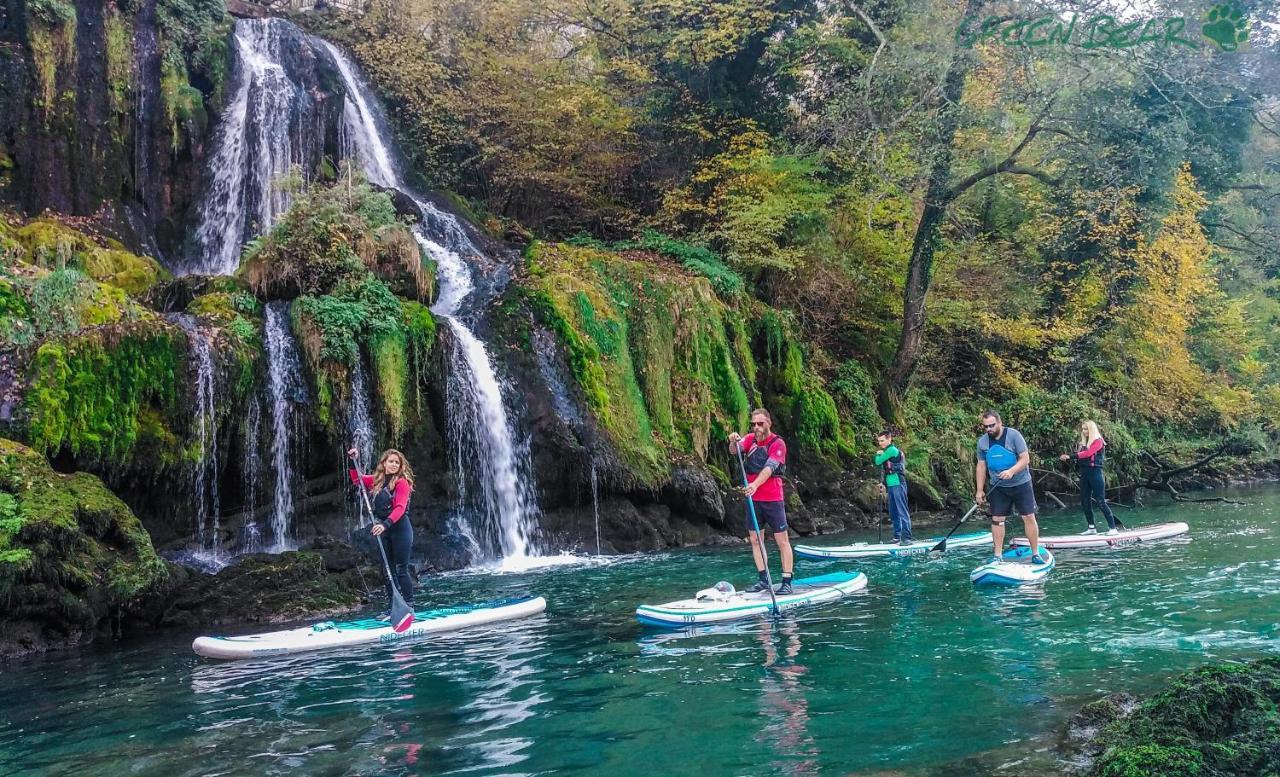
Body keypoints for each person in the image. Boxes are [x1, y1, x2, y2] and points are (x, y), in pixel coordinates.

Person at [728, 408, 795, 595]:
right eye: (754, 424)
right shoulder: (749, 439)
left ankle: (787, 581)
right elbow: (734, 451)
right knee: (755, 540)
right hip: (753, 499)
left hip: (773, 499)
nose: (756, 427)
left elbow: (769, 468)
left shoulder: (777, 443)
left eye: (760, 424)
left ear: (768, 423)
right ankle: (764, 579)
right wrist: (732, 440)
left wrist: (755, 484)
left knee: (782, 541)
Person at [348, 446, 416, 613]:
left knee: (401, 569)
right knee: (387, 571)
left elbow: (400, 508)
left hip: (400, 529)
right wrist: (352, 461)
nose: (393, 465)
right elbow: (358, 480)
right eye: (390, 461)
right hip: (384, 531)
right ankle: (393, 607)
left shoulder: (402, 483)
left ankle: (409, 606)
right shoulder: (377, 480)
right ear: (384, 463)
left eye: (396, 463)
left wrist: (385, 524)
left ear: (400, 467)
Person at [975, 410, 1044, 564]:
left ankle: (1035, 553)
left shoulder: (1014, 436)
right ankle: (997, 556)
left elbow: (1025, 459)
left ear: (1000, 423)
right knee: (997, 519)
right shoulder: (982, 442)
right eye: (985, 426)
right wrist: (979, 490)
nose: (989, 429)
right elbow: (981, 466)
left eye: (992, 425)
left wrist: (1011, 471)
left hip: (1021, 483)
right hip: (998, 487)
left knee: (1028, 516)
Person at [1059, 420, 1119, 536]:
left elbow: (1088, 454)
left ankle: (1113, 528)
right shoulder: (1084, 443)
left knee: (1100, 501)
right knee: (1084, 500)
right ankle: (1091, 527)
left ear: (1091, 429)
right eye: (1082, 429)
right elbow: (1082, 456)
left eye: (1086, 429)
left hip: (1095, 473)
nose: (1083, 431)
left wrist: (1070, 457)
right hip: (1085, 473)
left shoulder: (1098, 441)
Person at [874, 429, 912, 545]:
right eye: (879, 441)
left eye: (882, 441)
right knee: (893, 512)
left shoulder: (892, 450)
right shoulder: (887, 451)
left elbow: (878, 461)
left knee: (902, 511)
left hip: (899, 484)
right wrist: (883, 484)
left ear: (889, 439)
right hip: (891, 485)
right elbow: (886, 467)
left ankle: (907, 539)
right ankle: (896, 537)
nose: (880, 443)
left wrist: (878, 454)